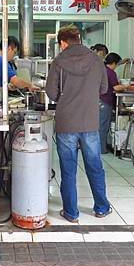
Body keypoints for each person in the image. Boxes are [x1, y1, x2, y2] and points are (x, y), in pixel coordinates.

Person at [45, 25, 111, 223]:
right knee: (95, 166)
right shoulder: (96, 60)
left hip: (67, 122)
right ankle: (101, 207)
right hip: (90, 121)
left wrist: (65, 98)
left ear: (63, 43)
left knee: (68, 169)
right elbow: (104, 87)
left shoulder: (58, 62)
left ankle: (71, 212)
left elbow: (50, 92)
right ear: (79, 38)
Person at [99, 53, 130, 154]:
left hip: (97, 100)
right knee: (103, 127)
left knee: (98, 126)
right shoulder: (111, 73)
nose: (116, 67)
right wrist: (127, 86)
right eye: (116, 64)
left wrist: (122, 62)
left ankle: (96, 148)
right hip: (105, 101)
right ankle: (101, 149)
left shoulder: (102, 69)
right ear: (113, 63)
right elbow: (116, 87)